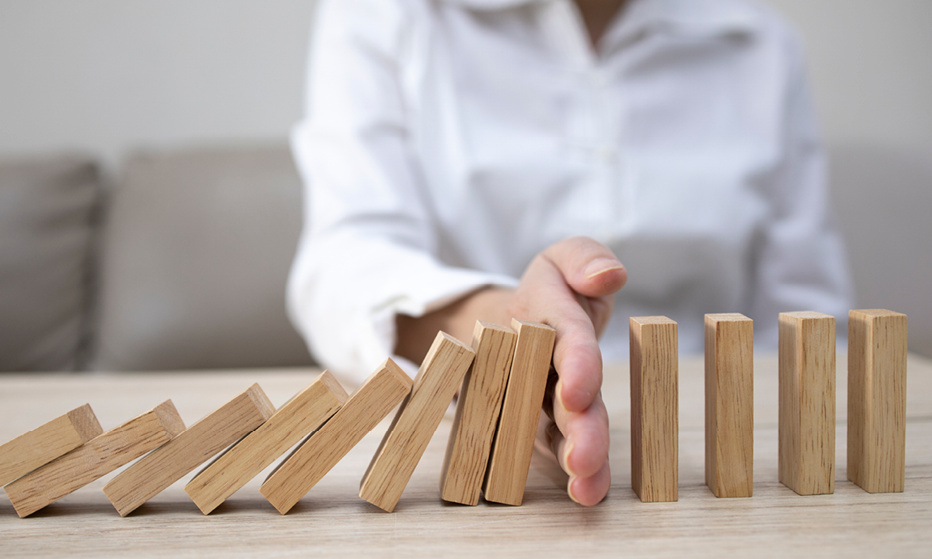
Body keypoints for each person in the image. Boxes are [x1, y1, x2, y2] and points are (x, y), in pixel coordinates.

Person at [286, 0, 854, 506]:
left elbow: (810, 317)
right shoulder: (386, 13)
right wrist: (511, 329)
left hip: (725, 458)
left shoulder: (761, 41)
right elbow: (343, 261)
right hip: (473, 428)